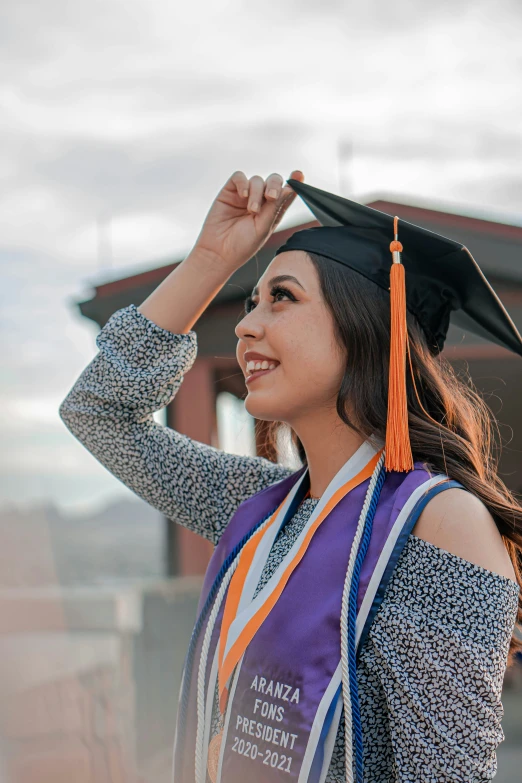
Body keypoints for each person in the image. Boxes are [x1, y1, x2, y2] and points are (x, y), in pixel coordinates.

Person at [59, 170, 522, 783]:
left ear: (367, 330)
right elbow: (99, 411)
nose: (248, 325)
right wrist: (211, 258)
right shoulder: (259, 509)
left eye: (282, 298)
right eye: (251, 303)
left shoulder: (437, 525)